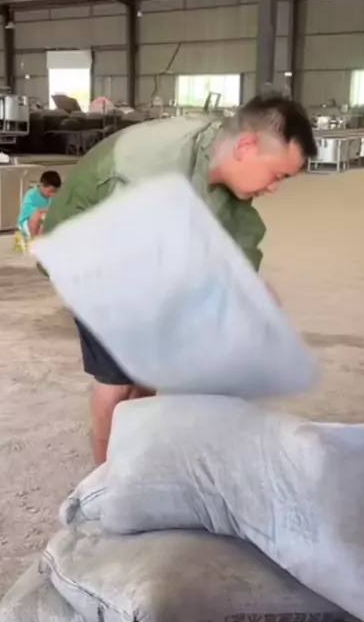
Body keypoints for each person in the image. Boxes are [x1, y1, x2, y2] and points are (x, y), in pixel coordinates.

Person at [42, 93, 317, 465]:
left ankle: (134, 457)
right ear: (246, 147)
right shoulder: (155, 166)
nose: (274, 188)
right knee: (117, 380)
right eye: (278, 175)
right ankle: (105, 480)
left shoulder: (226, 167)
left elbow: (234, 238)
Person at [17, 170, 61, 243]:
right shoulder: (31, 194)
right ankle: (34, 240)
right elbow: (27, 210)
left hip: (43, 224)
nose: (52, 194)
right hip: (27, 224)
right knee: (37, 214)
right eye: (51, 191)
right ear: (42, 185)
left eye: (55, 192)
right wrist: (43, 210)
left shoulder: (52, 197)